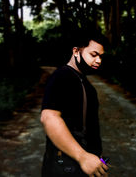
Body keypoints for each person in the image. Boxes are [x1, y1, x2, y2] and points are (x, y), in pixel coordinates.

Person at [40, 30, 109, 176]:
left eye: (101, 57)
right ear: (76, 51)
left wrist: (98, 163)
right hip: (66, 167)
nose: (98, 61)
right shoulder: (62, 76)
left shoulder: (86, 84)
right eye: (93, 55)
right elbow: (49, 118)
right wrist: (82, 156)